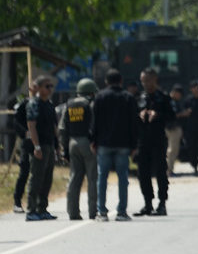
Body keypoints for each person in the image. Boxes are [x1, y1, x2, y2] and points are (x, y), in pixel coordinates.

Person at [91, 69, 139, 221]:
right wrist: (134, 144)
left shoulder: (100, 97)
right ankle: (122, 211)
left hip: (104, 143)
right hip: (123, 143)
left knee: (102, 177)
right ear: (121, 81)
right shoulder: (128, 98)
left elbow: (95, 121)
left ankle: (102, 212)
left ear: (106, 81)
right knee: (122, 178)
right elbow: (133, 123)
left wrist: (93, 140)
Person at [134, 68, 174, 216]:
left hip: (158, 139)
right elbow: (132, 118)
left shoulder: (163, 97)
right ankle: (147, 203)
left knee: (160, 172)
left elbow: (172, 117)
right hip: (143, 141)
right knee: (142, 173)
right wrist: (140, 114)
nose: (145, 84)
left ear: (155, 80)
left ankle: (162, 203)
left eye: (148, 81)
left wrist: (158, 114)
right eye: (143, 81)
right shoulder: (139, 97)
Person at [60, 78, 98, 220]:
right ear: (91, 92)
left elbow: (62, 128)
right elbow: (95, 126)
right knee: (92, 178)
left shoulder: (68, 105)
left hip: (72, 143)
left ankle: (73, 212)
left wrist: (64, 149)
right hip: (87, 143)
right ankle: (93, 212)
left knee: (74, 178)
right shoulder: (91, 104)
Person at [25, 76, 59, 221]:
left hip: (50, 145)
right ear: (39, 88)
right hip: (40, 146)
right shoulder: (34, 103)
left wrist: (57, 147)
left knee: (47, 178)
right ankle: (31, 210)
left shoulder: (50, 105)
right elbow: (31, 126)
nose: (50, 89)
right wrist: (36, 146)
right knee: (36, 178)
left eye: (51, 86)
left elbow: (54, 127)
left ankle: (42, 208)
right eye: (47, 86)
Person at [11, 81, 37, 213]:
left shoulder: (44, 104)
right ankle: (17, 201)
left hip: (41, 143)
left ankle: (37, 203)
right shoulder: (25, 104)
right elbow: (16, 121)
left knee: (39, 173)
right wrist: (25, 133)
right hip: (28, 144)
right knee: (24, 172)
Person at [164, 83, 185, 177]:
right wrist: (183, 114)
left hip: (175, 128)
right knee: (172, 150)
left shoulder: (174, 101)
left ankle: (170, 169)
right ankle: (168, 170)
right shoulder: (169, 101)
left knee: (174, 150)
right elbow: (173, 115)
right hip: (171, 128)